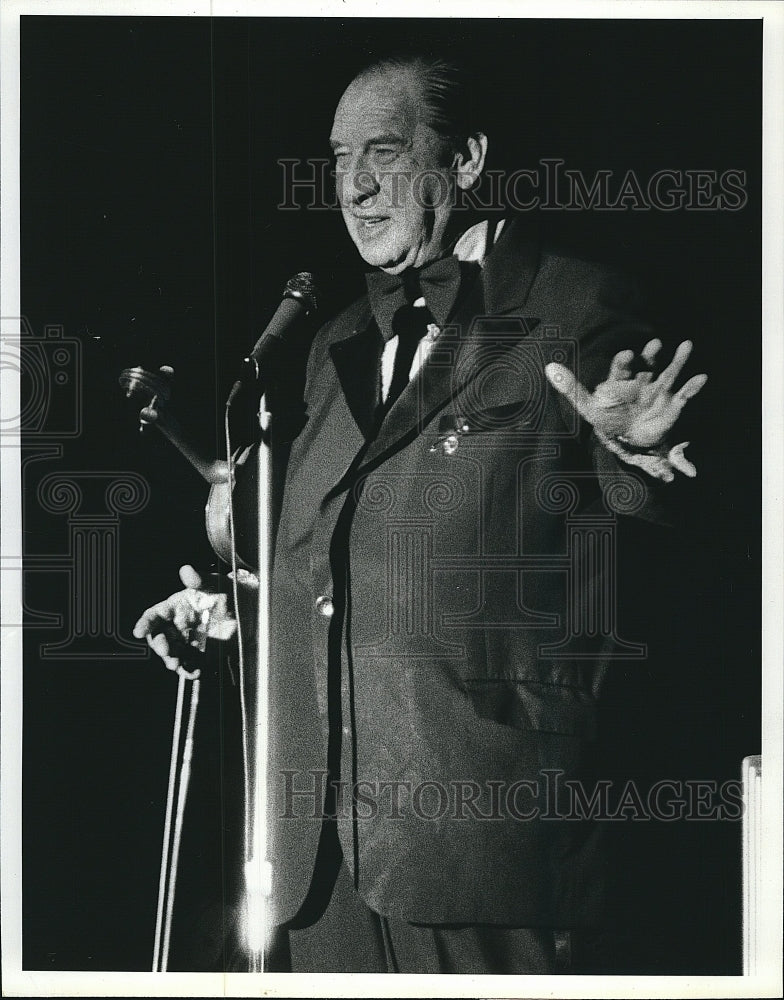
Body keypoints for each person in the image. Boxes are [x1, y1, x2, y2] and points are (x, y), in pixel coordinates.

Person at [134, 54, 708, 974]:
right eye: (337, 159)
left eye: (386, 152)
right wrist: (237, 611)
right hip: (316, 866)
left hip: (489, 848)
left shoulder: (574, 305)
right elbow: (332, 568)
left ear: (468, 159)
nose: (354, 185)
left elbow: (657, 514)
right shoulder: (331, 348)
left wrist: (635, 453)